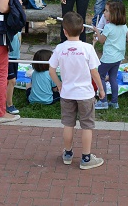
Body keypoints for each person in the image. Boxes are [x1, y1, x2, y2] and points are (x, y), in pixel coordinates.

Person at [49, 11, 106, 170]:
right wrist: (101, 89)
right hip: (86, 94)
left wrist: (59, 84)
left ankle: (67, 154)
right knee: (87, 125)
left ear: (64, 31)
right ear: (82, 30)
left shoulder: (60, 48)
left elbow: (51, 70)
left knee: (68, 124)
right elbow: (94, 72)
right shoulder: (87, 48)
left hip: (67, 93)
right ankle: (86, 158)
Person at [92, 0, 128, 110]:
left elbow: (101, 41)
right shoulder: (123, 26)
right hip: (118, 57)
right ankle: (114, 102)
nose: (104, 13)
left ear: (114, 14)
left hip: (108, 57)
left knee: (100, 76)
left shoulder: (108, 27)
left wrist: (97, 32)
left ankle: (103, 101)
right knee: (113, 78)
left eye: (107, 11)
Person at [5, 28, 22, 115]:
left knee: (11, 81)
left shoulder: (17, 26)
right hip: (8, 57)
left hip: (15, 57)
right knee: (12, 81)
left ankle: (6, 101)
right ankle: (9, 105)